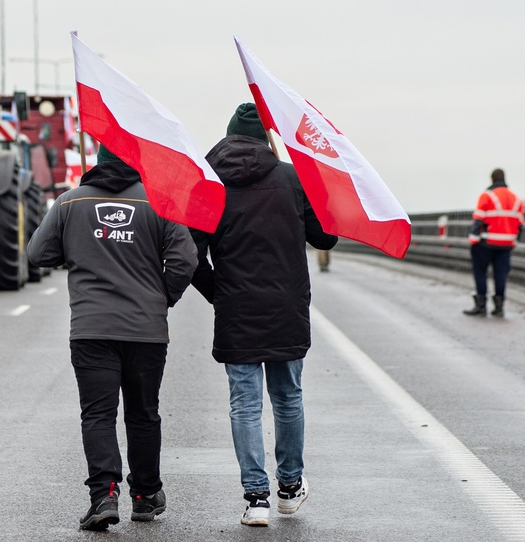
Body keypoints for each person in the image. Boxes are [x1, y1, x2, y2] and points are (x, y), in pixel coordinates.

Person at [27, 145, 197, 531]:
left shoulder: (71, 201)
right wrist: (163, 296)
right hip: (147, 330)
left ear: (99, 161)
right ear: (136, 161)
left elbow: (38, 253)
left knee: (98, 414)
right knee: (143, 413)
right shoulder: (159, 201)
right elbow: (186, 260)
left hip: (91, 328)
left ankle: (104, 495)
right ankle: (145, 495)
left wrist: (77, 246)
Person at [191, 103, 338, 527]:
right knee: (288, 398)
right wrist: (320, 189)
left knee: (245, 404)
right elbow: (325, 236)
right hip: (286, 307)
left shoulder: (211, 184)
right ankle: (289, 489)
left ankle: (256, 499)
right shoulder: (293, 180)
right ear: (267, 139)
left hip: (237, 309)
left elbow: (191, 253)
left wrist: (219, 293)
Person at [463, 168, 524, 317]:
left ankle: (481, 305)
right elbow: (520, 225)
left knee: (480, 272)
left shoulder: (487, 195)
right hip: (506, 245)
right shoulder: (516, 199)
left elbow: (478, 220)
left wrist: (473, 239)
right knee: (501, 274)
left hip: (486, 242)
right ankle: (499, 307)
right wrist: (513, 241)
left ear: (492, 180)